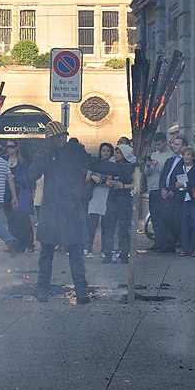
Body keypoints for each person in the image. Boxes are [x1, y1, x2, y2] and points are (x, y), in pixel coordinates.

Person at [28, 121, 124, 304]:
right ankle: (42, 289)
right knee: (46, 252)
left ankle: (81, 291)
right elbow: (31, 175)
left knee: (76, 252)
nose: (61, 139)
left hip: (72, 208)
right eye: (56, 137)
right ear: (50, 139)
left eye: (63, 135)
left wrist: (124, 169)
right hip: (51, 208)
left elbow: (96, 164)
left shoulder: (74, 150)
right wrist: (41, 155)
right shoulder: (45, 154)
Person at [100, 144, 135, 264]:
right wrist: (109, 183)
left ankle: (124, 254)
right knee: (109, 226)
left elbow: (136, 184)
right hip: (112, 198)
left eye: (118, 153)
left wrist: (123, 186)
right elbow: (108, 179)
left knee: (124, 228)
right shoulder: (113, 166)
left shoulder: (130, 167)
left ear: (124, 154)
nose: (115, 155)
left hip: (124, 199)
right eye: (115, 152)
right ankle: (108, 253)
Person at [3, 139, 35, 253]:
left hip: (19, 192)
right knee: (10, 219)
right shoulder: (4, 160)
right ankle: (14, 242)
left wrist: (14, 177)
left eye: (11, 146)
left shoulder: (22, 162)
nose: (9, 149)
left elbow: (25, 178)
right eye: (7, 147)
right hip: (6, 193)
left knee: (23, 218)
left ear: (16, 148)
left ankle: (28, 243)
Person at [158, 135, 187, 253]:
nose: (175, 146)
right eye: (174, 144)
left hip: (175, 195)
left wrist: (172, 191)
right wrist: (162, 189)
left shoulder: (185, 160)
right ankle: (164, 244)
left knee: (173, 221)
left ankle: (172, 244)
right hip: (165, 193)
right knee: (164, 219)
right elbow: (163, 176)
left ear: (184, 146)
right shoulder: (169, 160)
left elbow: (183, 179)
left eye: (178, 144)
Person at [144, 133, 173, 251]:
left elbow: (167, 173)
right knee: (155, 217)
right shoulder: (154, 154)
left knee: (165, 218)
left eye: (159, 144)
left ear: (165, 142)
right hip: (153, 189)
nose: (157, 146)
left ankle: (167, 243)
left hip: (163, 190)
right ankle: (157, 241)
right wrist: (148, 166)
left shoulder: (170, 156)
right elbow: (147, 173)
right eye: (155, 144)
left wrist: (157, 165)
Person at [86, 142, 114, 258]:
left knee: (106, 225)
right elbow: (87, 178)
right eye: (103, 150)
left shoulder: (113, 165)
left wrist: (107, 182)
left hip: (107, 196)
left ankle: (104, 250)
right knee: (92, 223)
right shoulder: (94, 164)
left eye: (108, 151)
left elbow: (113, 181)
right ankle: (88, 249)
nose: (105, 153)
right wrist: (94, 177)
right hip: (94, 195)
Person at [177, 146, 195, 257]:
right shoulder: (180, 167)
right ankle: (184, 249)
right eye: (184, 155)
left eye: (188, 154)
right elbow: (176, 179)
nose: (186, 157)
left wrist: (185, 184)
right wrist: (178, 185)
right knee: (184, 224)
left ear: (192, 156)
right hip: (183, 200)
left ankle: (194, 249)